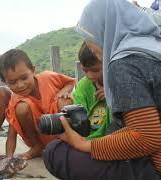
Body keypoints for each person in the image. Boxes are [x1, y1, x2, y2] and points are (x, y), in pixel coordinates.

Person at [43, 0, 161, 179]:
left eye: (90, 40)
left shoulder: (124, 63)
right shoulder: (153, 47)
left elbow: (146, 137)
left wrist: (84, 144)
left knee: (55, 152)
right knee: (113, 131)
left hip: (155, 167)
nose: (91, 47)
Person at [0, 49, 76, 160]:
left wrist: (63, 91)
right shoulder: (14, 100)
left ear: (33, 70)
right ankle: (36, 147)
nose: (20, 85)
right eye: (12, 82)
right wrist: (8, 159)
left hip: (60, 129)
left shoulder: (48, 77)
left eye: (24, 78)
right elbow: (11, 134)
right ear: (5, 82)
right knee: (21, 108)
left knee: (64, 101)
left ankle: (71, 140)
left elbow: (71, 82)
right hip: (40, 136)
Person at [73, 42, 112, 139]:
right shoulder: (83, 86)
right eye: (85, 71)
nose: (89, 76)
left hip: (112, 138)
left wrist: (111, 96)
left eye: (95, 70)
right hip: (88, 138)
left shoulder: (119, 82)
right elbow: (79, 117)